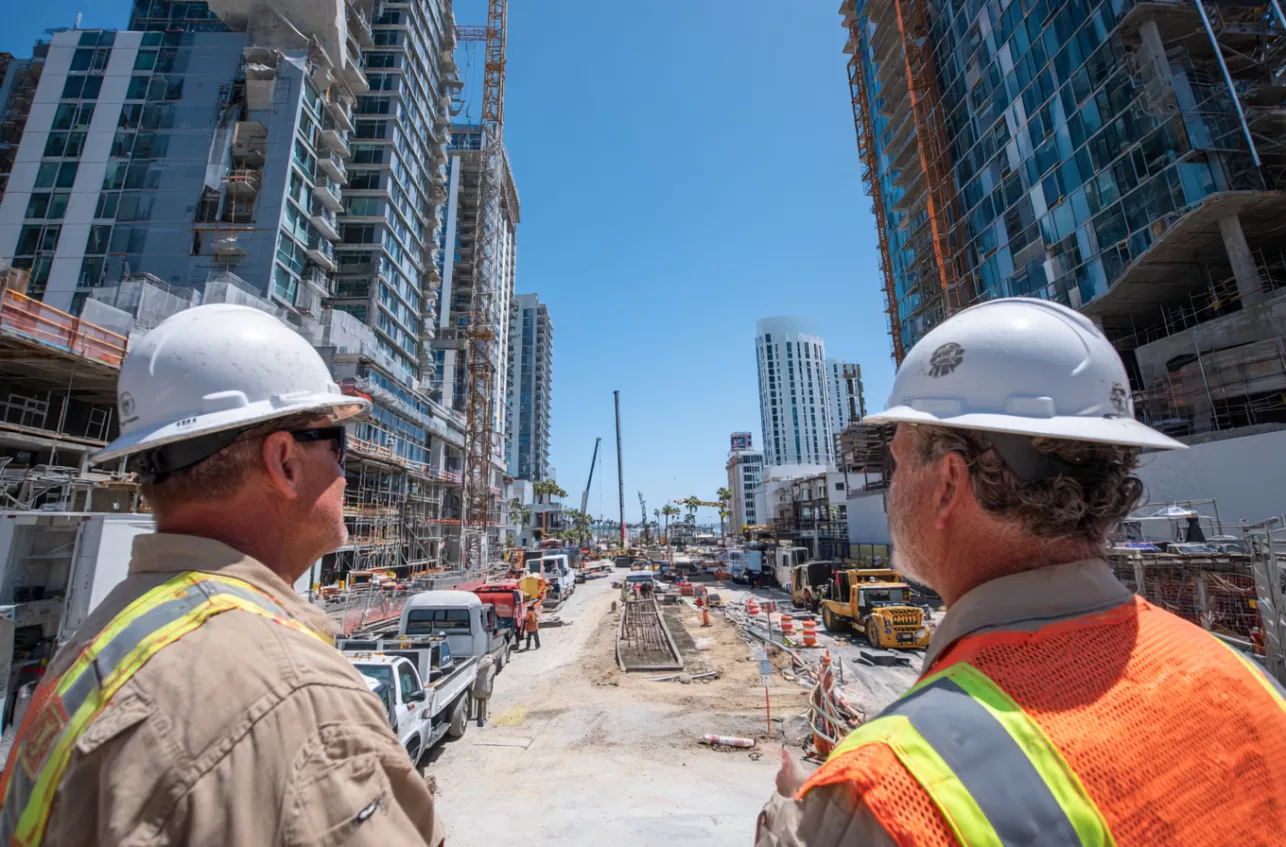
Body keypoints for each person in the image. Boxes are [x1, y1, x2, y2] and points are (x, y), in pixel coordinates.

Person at [756, 299, 1286, 846]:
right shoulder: (1249, 681)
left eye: (897, 462)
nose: (890, 488)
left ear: (948, 483)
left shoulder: (889, 790)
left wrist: (806, 819)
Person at [0, 305, 445, 846]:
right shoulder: (296, 692)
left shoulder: (101, 643)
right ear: (284, 461)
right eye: (337, 446)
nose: (344, 475)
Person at [472, 654, 496, 727]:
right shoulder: (492, 666)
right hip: (485, 688)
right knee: (485, 702)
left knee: (480, 702)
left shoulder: (480, 663)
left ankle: (480, 717)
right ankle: (483, 720)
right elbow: (491, 679)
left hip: (477, 688)